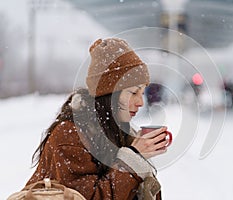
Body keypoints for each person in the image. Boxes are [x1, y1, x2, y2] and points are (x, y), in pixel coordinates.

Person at [26, 38, 169, 200]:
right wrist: (133, 158)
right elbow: (89, 197)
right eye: (133, 92)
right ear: (111, 93)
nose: (140, 102)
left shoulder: (119, 133)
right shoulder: (70, 134)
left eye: (142, 93)